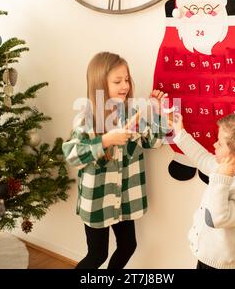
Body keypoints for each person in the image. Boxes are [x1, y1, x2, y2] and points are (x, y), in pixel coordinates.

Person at [62, 52, 169, 269]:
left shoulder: (134, 113)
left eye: (127, 79)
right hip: (98, 202)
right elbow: (72, 155)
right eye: (117, 81)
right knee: (97, 255)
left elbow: (155, 142)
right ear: (100, 84)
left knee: (128, 246)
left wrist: (158, 112)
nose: (125, 85)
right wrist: (105, 141)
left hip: (126, 199)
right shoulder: (87, 118)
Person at [170, 112, 235, 269]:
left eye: (219, 143)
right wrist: (180, 133)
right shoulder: (228, 168)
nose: (214, 145)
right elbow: (202, 159)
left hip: (224, 265)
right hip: (208, 258)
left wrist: (222, 178)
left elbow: (215, 219)